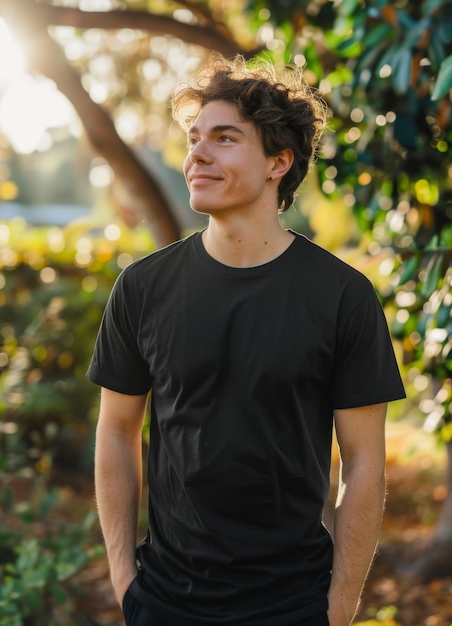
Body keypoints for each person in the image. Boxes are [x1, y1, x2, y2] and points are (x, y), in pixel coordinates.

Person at [87, 53, 406, 626]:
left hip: (294, 606)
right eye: (193, 138)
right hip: (163, 603)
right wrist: (124, 580)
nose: (197, 155)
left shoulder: (342, 296)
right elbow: (116, 430)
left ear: (278, 162)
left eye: (224, 138)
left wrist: (337, 608)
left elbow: (363, 462)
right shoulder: (141, 288)